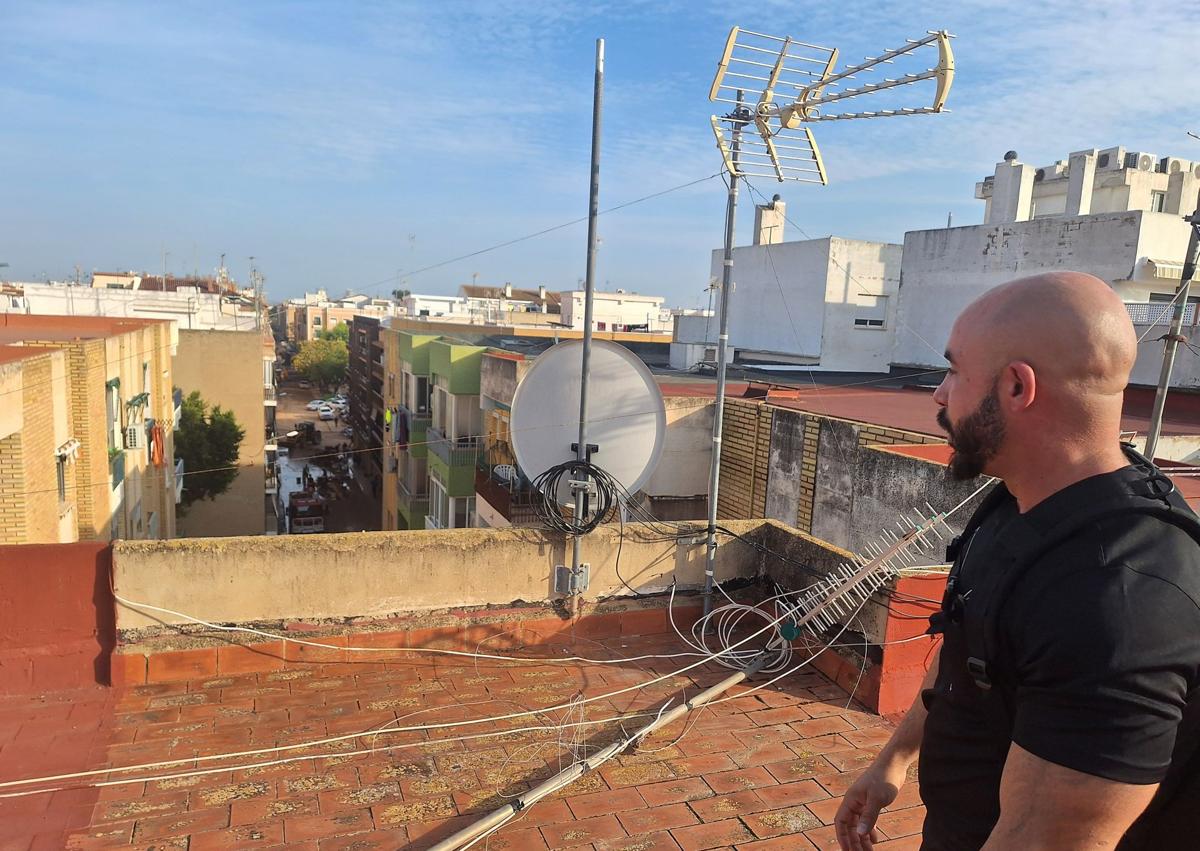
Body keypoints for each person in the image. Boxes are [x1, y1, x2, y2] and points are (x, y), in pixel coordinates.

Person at [835, 272, 1200, 851]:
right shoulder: (1023, 498)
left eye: (953, 371)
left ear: (1016, 387)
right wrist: (894, 760)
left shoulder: (1117, 600)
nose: (938, 393)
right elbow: (969, 647)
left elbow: (1049, 838)